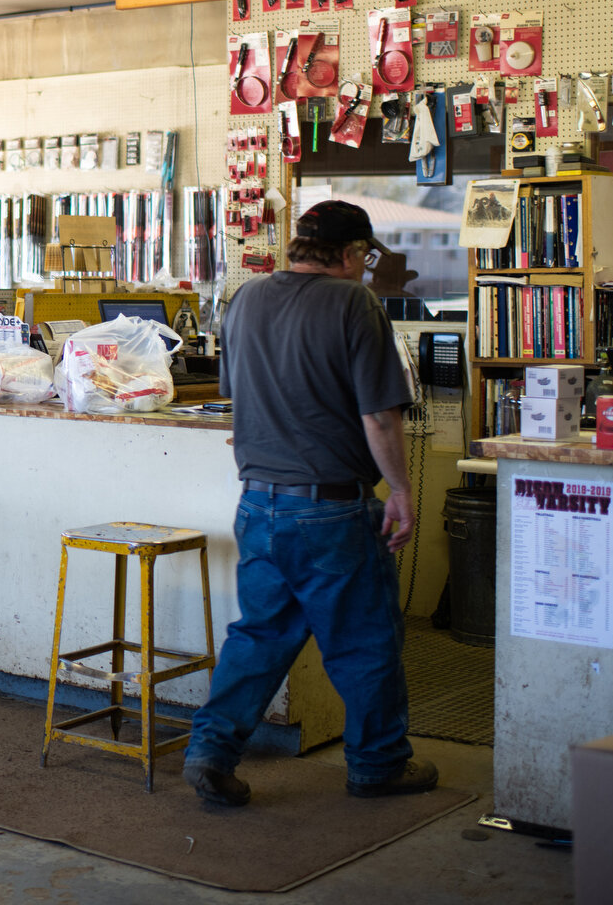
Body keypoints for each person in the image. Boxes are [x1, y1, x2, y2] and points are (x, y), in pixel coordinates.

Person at [182, 200, 437, 807]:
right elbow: (378, 416)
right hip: (331, 510)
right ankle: (377, 765)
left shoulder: (244, 300)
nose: (367, 270)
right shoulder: (355, 304)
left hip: (259, 505)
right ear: (351, 254)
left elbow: (236, 394)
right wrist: (400, 490)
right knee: (364, 639)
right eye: (366, 258)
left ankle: (211, 752)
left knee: (258, 637)